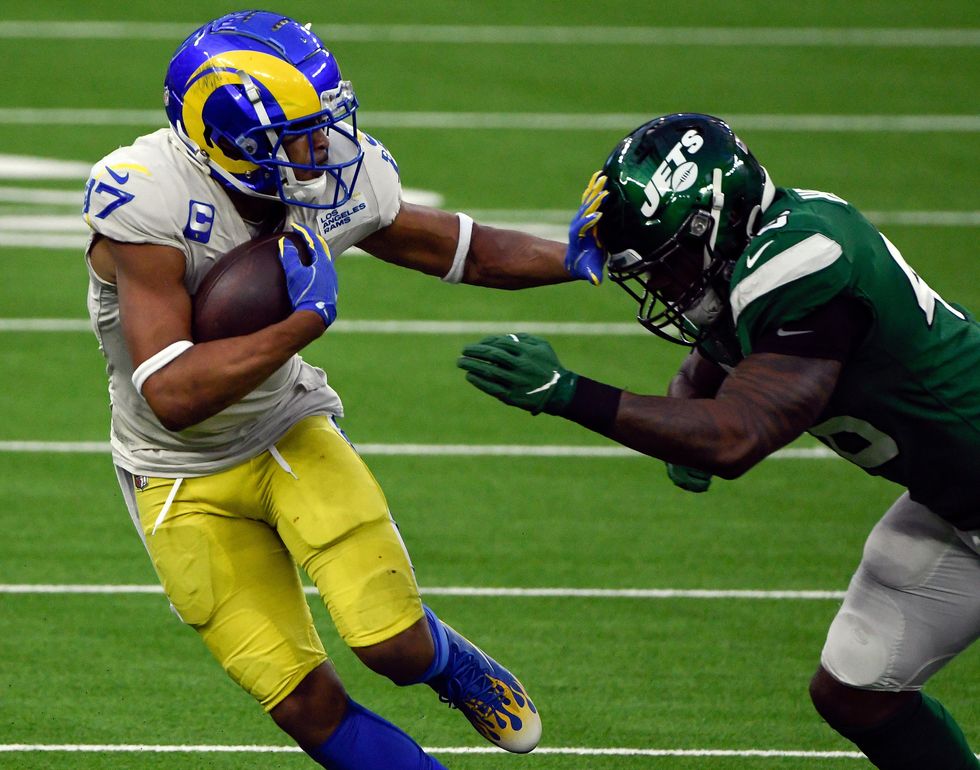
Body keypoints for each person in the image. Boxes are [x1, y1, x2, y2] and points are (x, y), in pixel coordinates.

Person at [81, 11, 603, 769]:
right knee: (304, 703)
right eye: (297, 134)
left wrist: (581, 255)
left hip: (287, 429)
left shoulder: (327, 167)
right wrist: (303, 322)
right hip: (172, 471)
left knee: (390, 644)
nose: (321, 145)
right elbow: (173, 391)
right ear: (227, 142)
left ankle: (446, 662)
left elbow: (460, 248)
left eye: (322, 124)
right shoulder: (147, 203)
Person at [458, 113, 980, 769]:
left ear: (713, 225)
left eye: (668, 264)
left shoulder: (804, 261)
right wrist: (682, 425)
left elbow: (737, 438)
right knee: (858, 691)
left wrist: (568, 392)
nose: (660, 286)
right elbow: (707, 368)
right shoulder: (757, 251)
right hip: (953, 500)